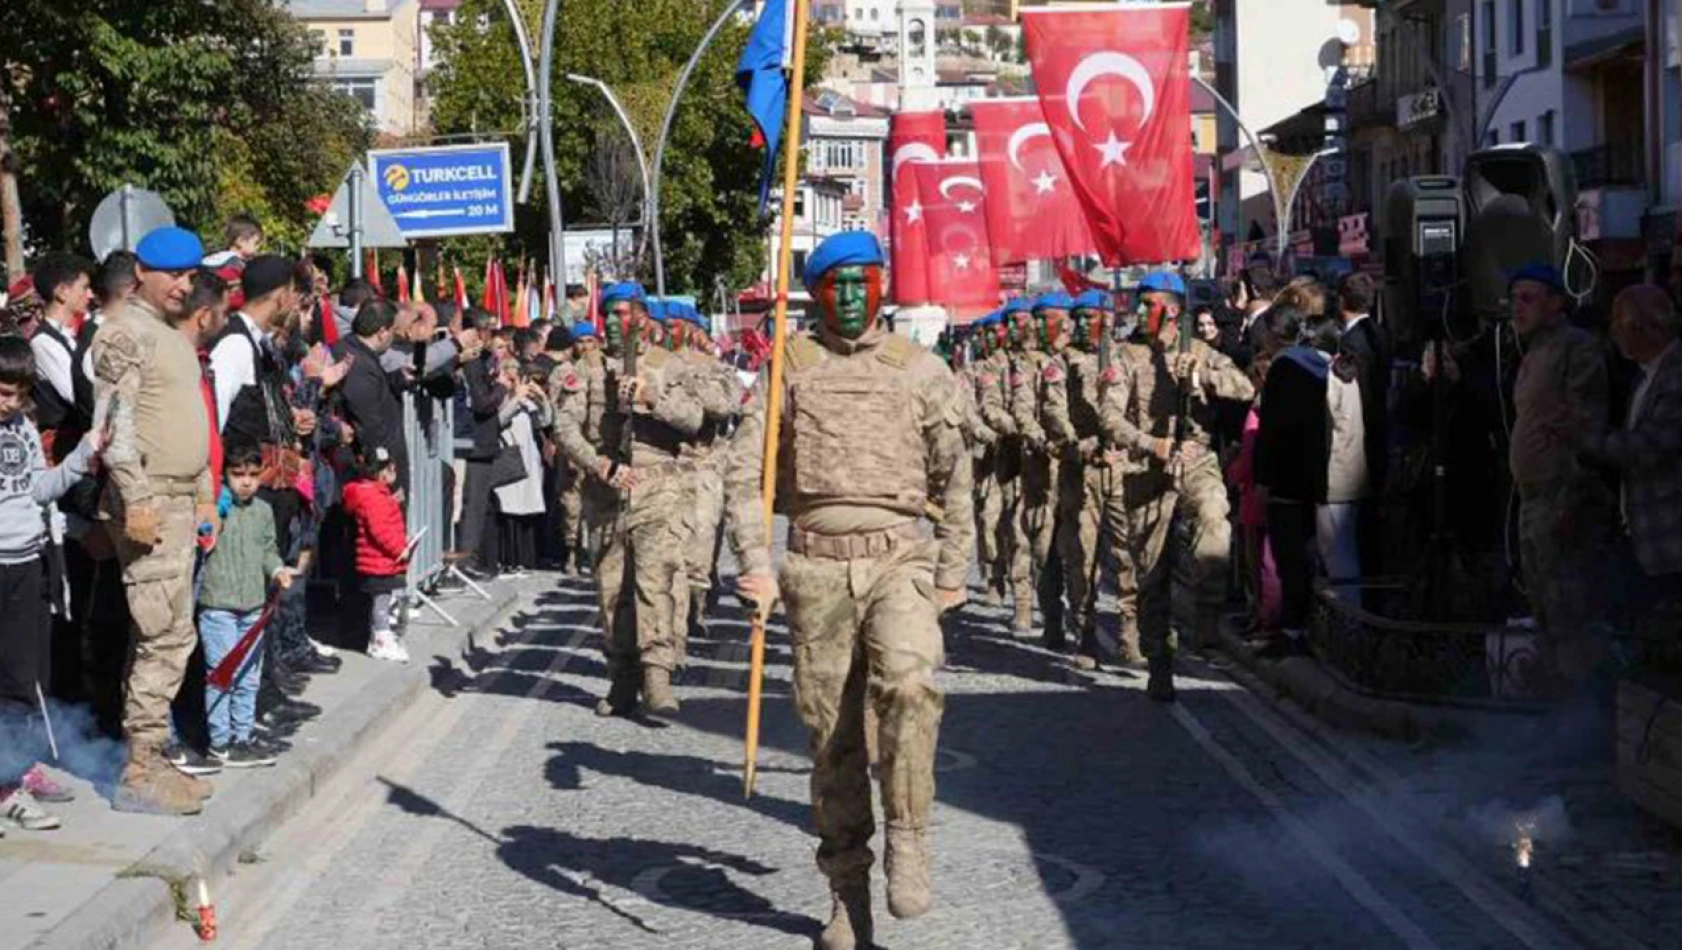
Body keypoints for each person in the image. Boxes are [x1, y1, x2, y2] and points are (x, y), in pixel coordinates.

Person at [726, 232, 971, 949]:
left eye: (865, 281)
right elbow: (747, 475)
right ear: (818, 293)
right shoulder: (788, 370)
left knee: (910, 684)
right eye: (838, 284)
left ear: (883, 285)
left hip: (900, 561)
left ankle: (910, 837)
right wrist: (754, 561)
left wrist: (952, 569)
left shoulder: (919, 369)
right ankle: (847, 897)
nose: (854, 295)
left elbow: (955, 474)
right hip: (815, 569)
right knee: (831, 743)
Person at [92, 225, 217, 815]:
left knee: (168, 632)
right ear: (143, 271)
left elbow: (185, 420)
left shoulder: (168, 335)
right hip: (148, 505)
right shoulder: (125, 334)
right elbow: (113, 429)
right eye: (176, 275)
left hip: (175, 500)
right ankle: (141, 770)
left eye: (191, 276)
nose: (185, 286)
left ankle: (150, 757)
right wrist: (137, 499)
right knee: (164, 634)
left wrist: (201, 492)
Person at [552, 286, 713, 717]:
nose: (615, 322)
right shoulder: (584, 369)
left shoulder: (668, 365)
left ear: (642, 317)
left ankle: (657, 674)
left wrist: (650, 399)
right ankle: (622, 678)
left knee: (654, 582)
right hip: (607, 493)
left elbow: (696, 418)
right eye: (608, 314)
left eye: (623, 313)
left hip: (658, 489)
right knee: (611, 590)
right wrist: (600, 464)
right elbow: (564, 428)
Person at [1098, 271, 1254, 701]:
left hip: (1196, 457)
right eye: (1139, 303)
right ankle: (1159, 661)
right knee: (1151, 575)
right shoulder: (1126, 355)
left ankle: (1207, 614)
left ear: (1171, 309)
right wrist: (1152, 444)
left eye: (1148, 304)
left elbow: (1244, 387)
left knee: (1214, 521)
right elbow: (1110, 418)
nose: (1140, 311)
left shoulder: (1199, 349)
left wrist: (1203, 373)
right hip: (1147, 467)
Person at [0, 336, 103, 833]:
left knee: (26, 679)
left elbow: (39, 488)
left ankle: (13, 776)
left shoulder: (21, 425)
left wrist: (82, 456)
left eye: (18, 395)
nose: (10, 404)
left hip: (28, 562)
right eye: (3, 393)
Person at [1507, 264, 1611, 686]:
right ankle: (1557, 706)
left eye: (1528, 298)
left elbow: (1584, 431)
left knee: (1567, 608)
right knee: (1544, 607)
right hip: (1532, 497)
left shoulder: (1576, 348)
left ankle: (1580, 707)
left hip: (1560, 495)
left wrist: (1571, 496)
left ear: (1556, 302)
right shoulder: (1533, 351)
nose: (1518, 307)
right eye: (1514, 299)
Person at [1576, 285, 1682, 624]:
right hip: (1639, 530)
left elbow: (1648, 448)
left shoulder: (1675, 379)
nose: (1614, 335)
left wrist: (1583, 435)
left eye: (1621, 326)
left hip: (1669, 539)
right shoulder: (1643, 377)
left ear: (1648, 328)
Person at [197, 443, 295, 767]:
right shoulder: (215, 507)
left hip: (253, 606)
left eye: (253, 475)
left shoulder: (263, 511)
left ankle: (242, 736)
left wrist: (278, 569)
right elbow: (201, 542)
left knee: (248, 678)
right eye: (238, 475)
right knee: (222, 674)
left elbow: (268, 549)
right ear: (224, 476)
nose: (246, 482)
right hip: (218, 605)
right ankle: (219, 742)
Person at [1013, 293, 1071, 643]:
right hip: (1043, 466)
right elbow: (1022, 411)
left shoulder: (1086, 357)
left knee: (1084, 549)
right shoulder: (1027, 364)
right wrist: (1040, 440)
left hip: (1083, 466)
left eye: (1048, 318)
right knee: (1045, 545)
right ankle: (1052, 615)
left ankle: (1088, 618)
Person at [979, 299, 1032, 630]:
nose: (1014, 329)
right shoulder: (995, 365)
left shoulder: (1049, 361)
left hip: (1050, 461)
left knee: (1046, 538)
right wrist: (1013, 428)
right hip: (1007, 456)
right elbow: (987, 407)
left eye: (1021, 321)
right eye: (1009, 323)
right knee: (1001, 525)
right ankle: (1019, 600)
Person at [343, 445, 410, 662]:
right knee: (381, 602)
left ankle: (380, 637)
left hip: (376, 560)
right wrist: (400, 549)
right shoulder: (374, 497)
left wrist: (390, 502)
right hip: (379, 561)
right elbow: (380, 530)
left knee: (381, 601)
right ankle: (381, 640)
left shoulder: (371, 494)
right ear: (384, 471)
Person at [336, 300, 408, 494]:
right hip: (371, 469)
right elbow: (368, 421)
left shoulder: (361, 355)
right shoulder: (357, 362)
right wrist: (382, 463)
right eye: (394, 330)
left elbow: (376, 391)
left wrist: (399, 378)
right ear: (382, 331)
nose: (394, 336)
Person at [28, 253, 95, 456]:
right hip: (68, 453)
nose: (90, 295)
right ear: (62, 292)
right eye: (84, 287)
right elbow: (79, 394)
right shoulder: (44, 343)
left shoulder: (72, 335)